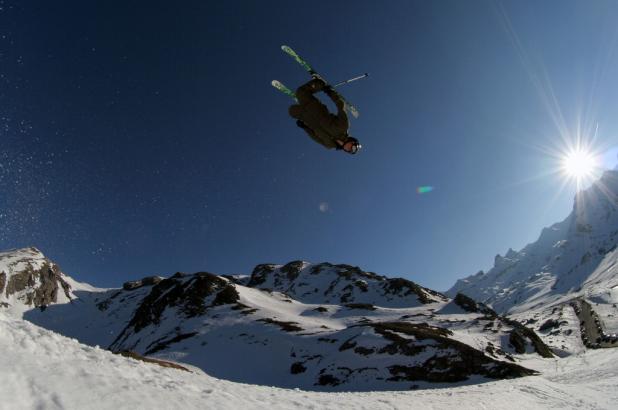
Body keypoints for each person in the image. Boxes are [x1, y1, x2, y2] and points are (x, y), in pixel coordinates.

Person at [288, 77, 361, 154]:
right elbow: (341, 106)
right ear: (352, 141)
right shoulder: (343, 126)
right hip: (315, 108)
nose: (348, 148)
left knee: (291, 111)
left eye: (349, 151)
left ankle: (300, 102)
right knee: (300, 91)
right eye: (352, 147)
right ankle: (320, 83)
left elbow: (315, 137)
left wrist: (305, 127)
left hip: (307, 119)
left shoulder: (329, 145)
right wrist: (330, 92)